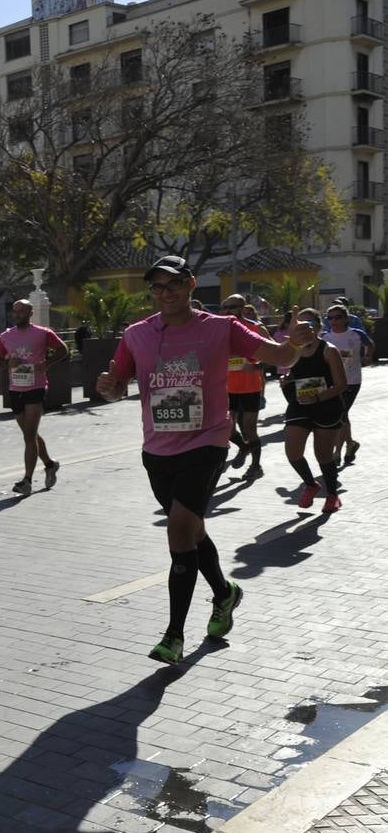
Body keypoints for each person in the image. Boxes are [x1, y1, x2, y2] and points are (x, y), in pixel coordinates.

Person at [97, 256, 313, 666]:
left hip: (208, 441)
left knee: (179, 529)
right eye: (158, 287)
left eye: (173, 284)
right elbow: (116, 385)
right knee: (192, 531)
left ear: (191, 284)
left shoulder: (222, 327)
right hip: (157, 450)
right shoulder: (137, 335)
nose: (166, 293)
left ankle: (173, 635)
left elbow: (279, 357)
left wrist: (295, 343)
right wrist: (107, 387)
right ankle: (225, 593)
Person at [0, 299, 69, 496]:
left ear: (30, 313)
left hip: (35, 387)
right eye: (15, 311)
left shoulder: (43, 334)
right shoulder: (5, 336)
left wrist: (47, 363)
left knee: (29, 435)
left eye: (21, 311)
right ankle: (50, 464)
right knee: (31, 435)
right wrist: (8, 363)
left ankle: (27, 481)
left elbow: (63, 350)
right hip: (15, 388)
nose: (17, 314)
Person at [281, 308, 346, 513]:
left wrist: (317, 397)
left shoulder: (329, 350)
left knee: (323, 456)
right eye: (299, 326)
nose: (303, 330)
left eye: (308, 325)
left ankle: (332, 495)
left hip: (326, 407)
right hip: (300, 405)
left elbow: (341, 385)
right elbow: (294, 373)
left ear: (318, 327)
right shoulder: (295, 350)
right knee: (292, 452)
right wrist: (287, 380)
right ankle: (310, 484)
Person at [220, 294, 268, 480]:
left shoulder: (256, 328)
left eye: (231, 306)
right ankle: (244, 447)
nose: (226, 310)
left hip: (250, 387)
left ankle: (256, 466)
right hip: (227, 388)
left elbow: (275, 355)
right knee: (227, 429)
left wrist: (256, 366)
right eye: (224, 307)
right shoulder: (221, 330)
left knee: (249, 429)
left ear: (241, 307)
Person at [322, 304, 365, 465]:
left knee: (341, 414)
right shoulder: (325, 337)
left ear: (346, 319)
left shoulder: (356, 334)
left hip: (351, 381)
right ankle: (350, 444)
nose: (334, 320)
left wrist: (367, 355)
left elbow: (369, 345)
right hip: (332, 382)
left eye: (338, 317)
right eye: (330, 317)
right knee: (342, 415)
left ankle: (337, 453)